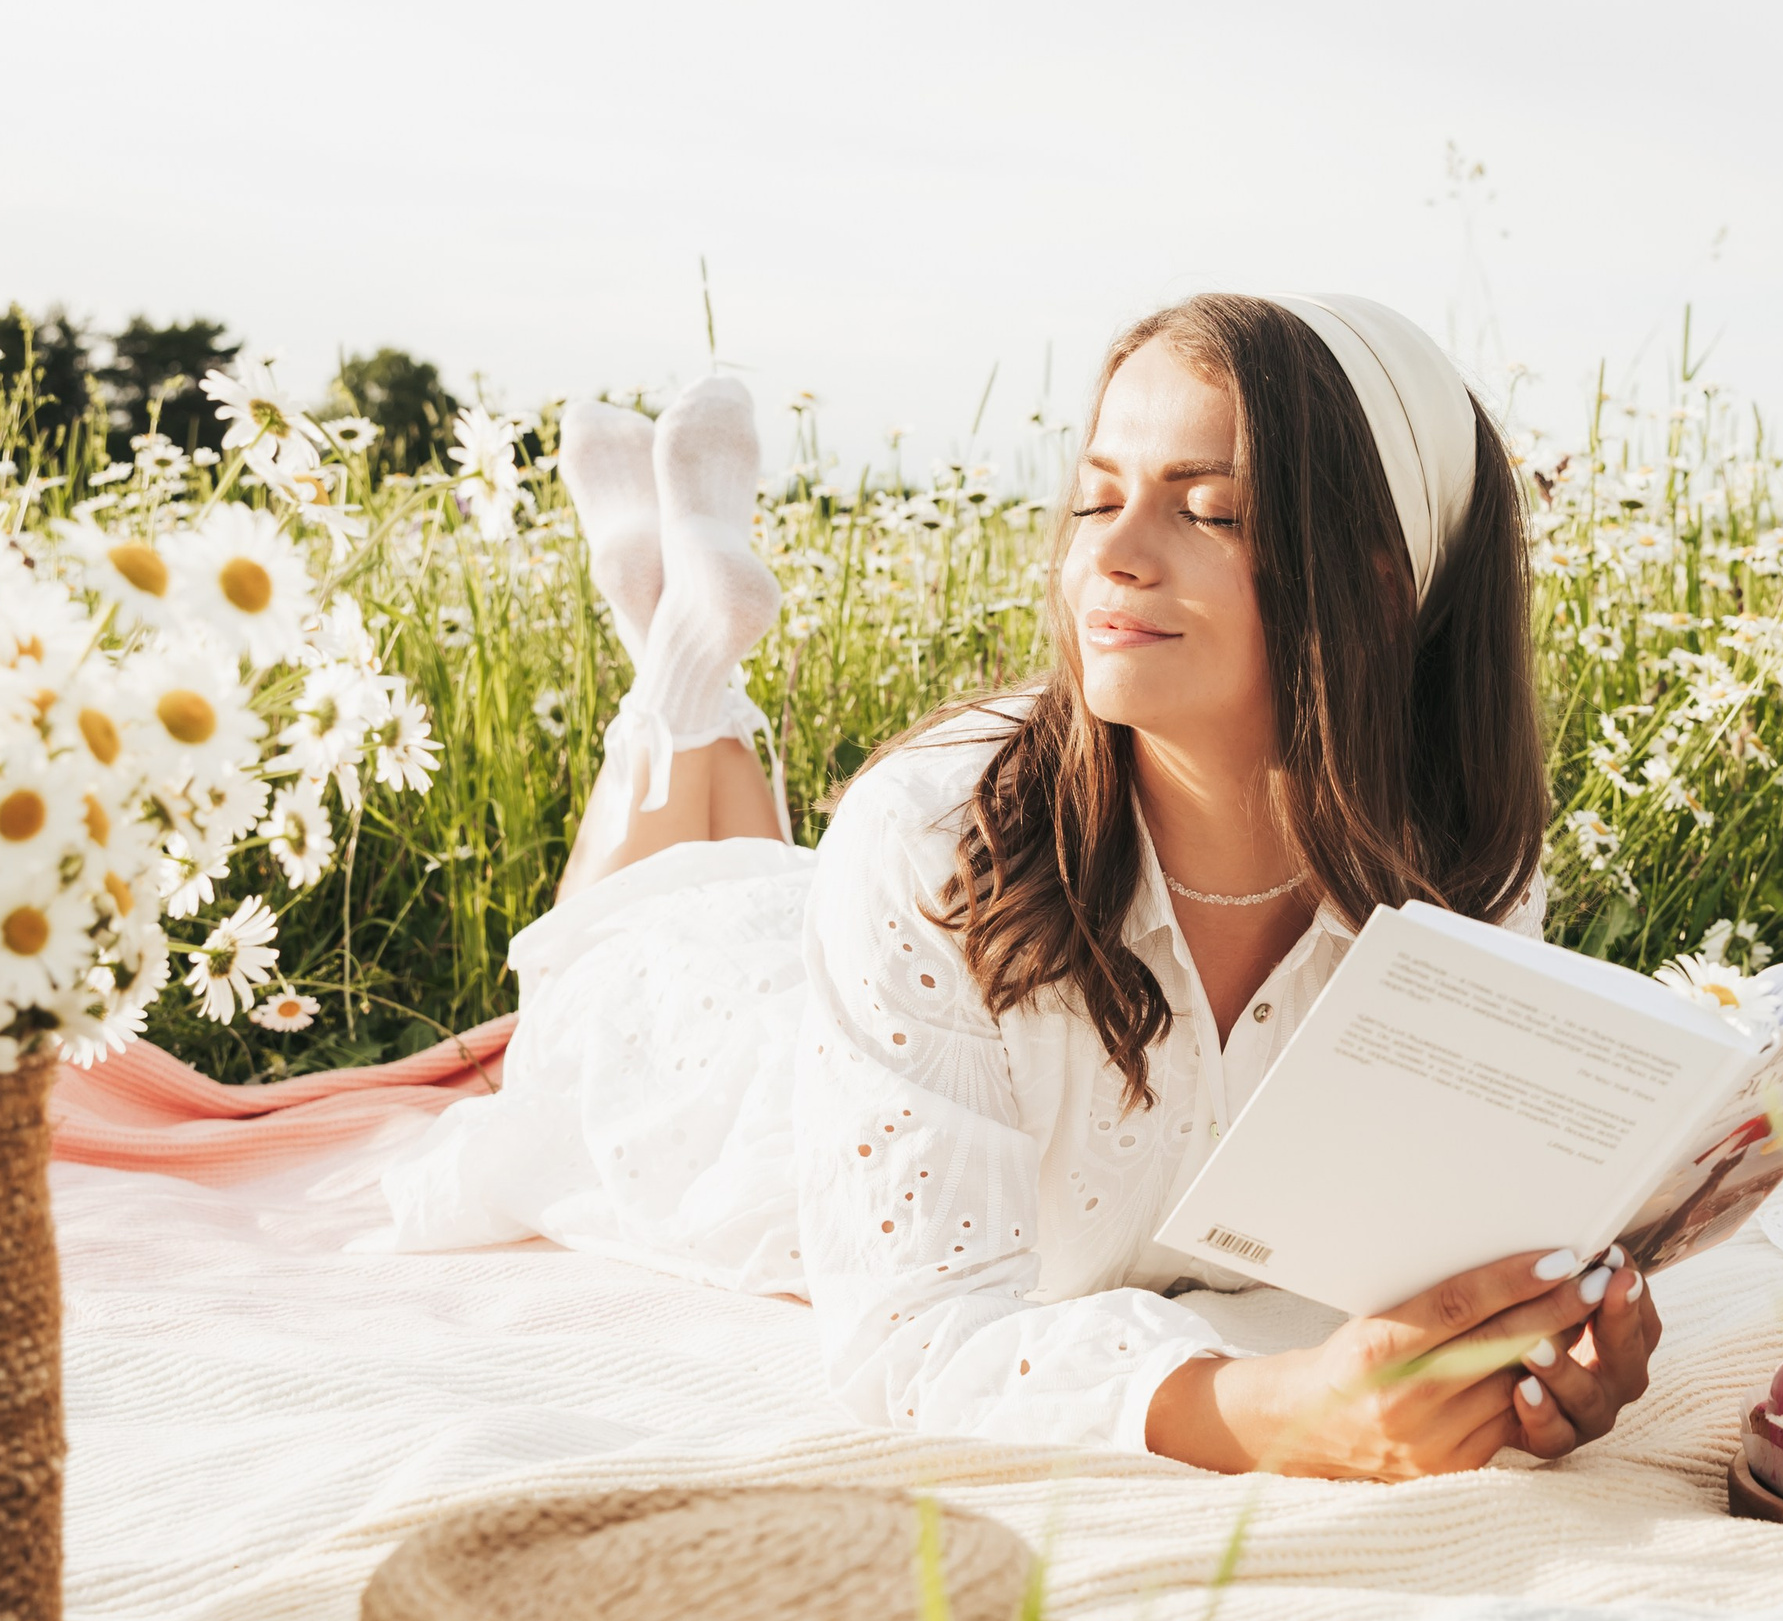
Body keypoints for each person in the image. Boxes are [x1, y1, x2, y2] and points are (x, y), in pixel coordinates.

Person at [383, 294, 1658, 1476]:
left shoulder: (1461, 869)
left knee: (720, 852)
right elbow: (915, 1334)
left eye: (1203, 510)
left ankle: (684, 627)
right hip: (726, 1069)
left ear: (1382, 581)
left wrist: (1537, 1335)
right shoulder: (931, 835)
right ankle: (676, 662)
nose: (1115, 554)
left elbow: (1428, 1243)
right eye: (1096, 500)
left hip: (849, 947)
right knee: (605, 943)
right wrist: (1280, 1415)